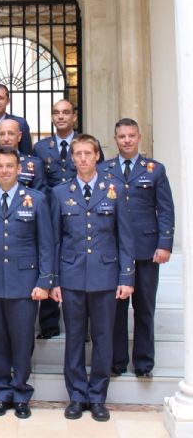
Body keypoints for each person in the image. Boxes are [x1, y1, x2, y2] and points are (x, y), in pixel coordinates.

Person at [50, 134, 134, 422]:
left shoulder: (115, 189)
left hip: (106, 276)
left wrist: (127, 276)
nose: (83, 158)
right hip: (71, 276)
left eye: (88, 153)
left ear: (98, 156)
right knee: (73, 338)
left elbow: (125, 236)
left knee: (103, 338)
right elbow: (55, 240)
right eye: (78, 154)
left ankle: (98, 396)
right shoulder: (61, 192)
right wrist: (54, 280)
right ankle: (76, 396)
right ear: (72, 158)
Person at [0, 147, 54, 419]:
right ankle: (1, 393)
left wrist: (45, 281)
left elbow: (46, 244)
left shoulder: (37, 200)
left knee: (21, 340)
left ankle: (20, 393)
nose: (4, 170)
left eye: (9, 166)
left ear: (19, 169)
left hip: (25, 283)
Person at [102, 118, 175, 378]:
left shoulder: (155, 169)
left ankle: (143, 362)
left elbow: (165, 209)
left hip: (146, 250)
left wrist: (164, 244)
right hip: (115, 250)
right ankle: (117, 361)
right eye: (122, 136)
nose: (127, 140)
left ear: (139, 137)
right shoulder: (105, 169)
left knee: (144, 307)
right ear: (115, 139)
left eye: (131, 135)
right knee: (116, 309)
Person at [33, 99, 104, 339]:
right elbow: (39, 182)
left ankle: (84, 328)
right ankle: (49, 323)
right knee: (51, 262)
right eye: (56, 112)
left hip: (79, 212)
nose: (60, 116)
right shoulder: (41, 148)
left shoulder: (85, 145)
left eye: (65, 112)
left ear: (74, 116)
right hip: (51, 211)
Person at [0, 119, 46, 192]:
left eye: (11, 134)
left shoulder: (35, 165)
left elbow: (39, 198)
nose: (6, 139)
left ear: (19, 136)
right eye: (2, 134)